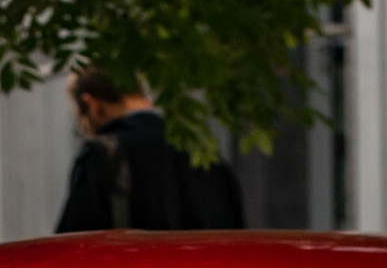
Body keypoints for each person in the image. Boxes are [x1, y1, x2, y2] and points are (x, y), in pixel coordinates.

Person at [54, 70, 245, 233]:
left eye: (80, 121)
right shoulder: (202, 150)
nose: (84, 130)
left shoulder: (101, 155)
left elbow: (71, 248)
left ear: (92, 105)